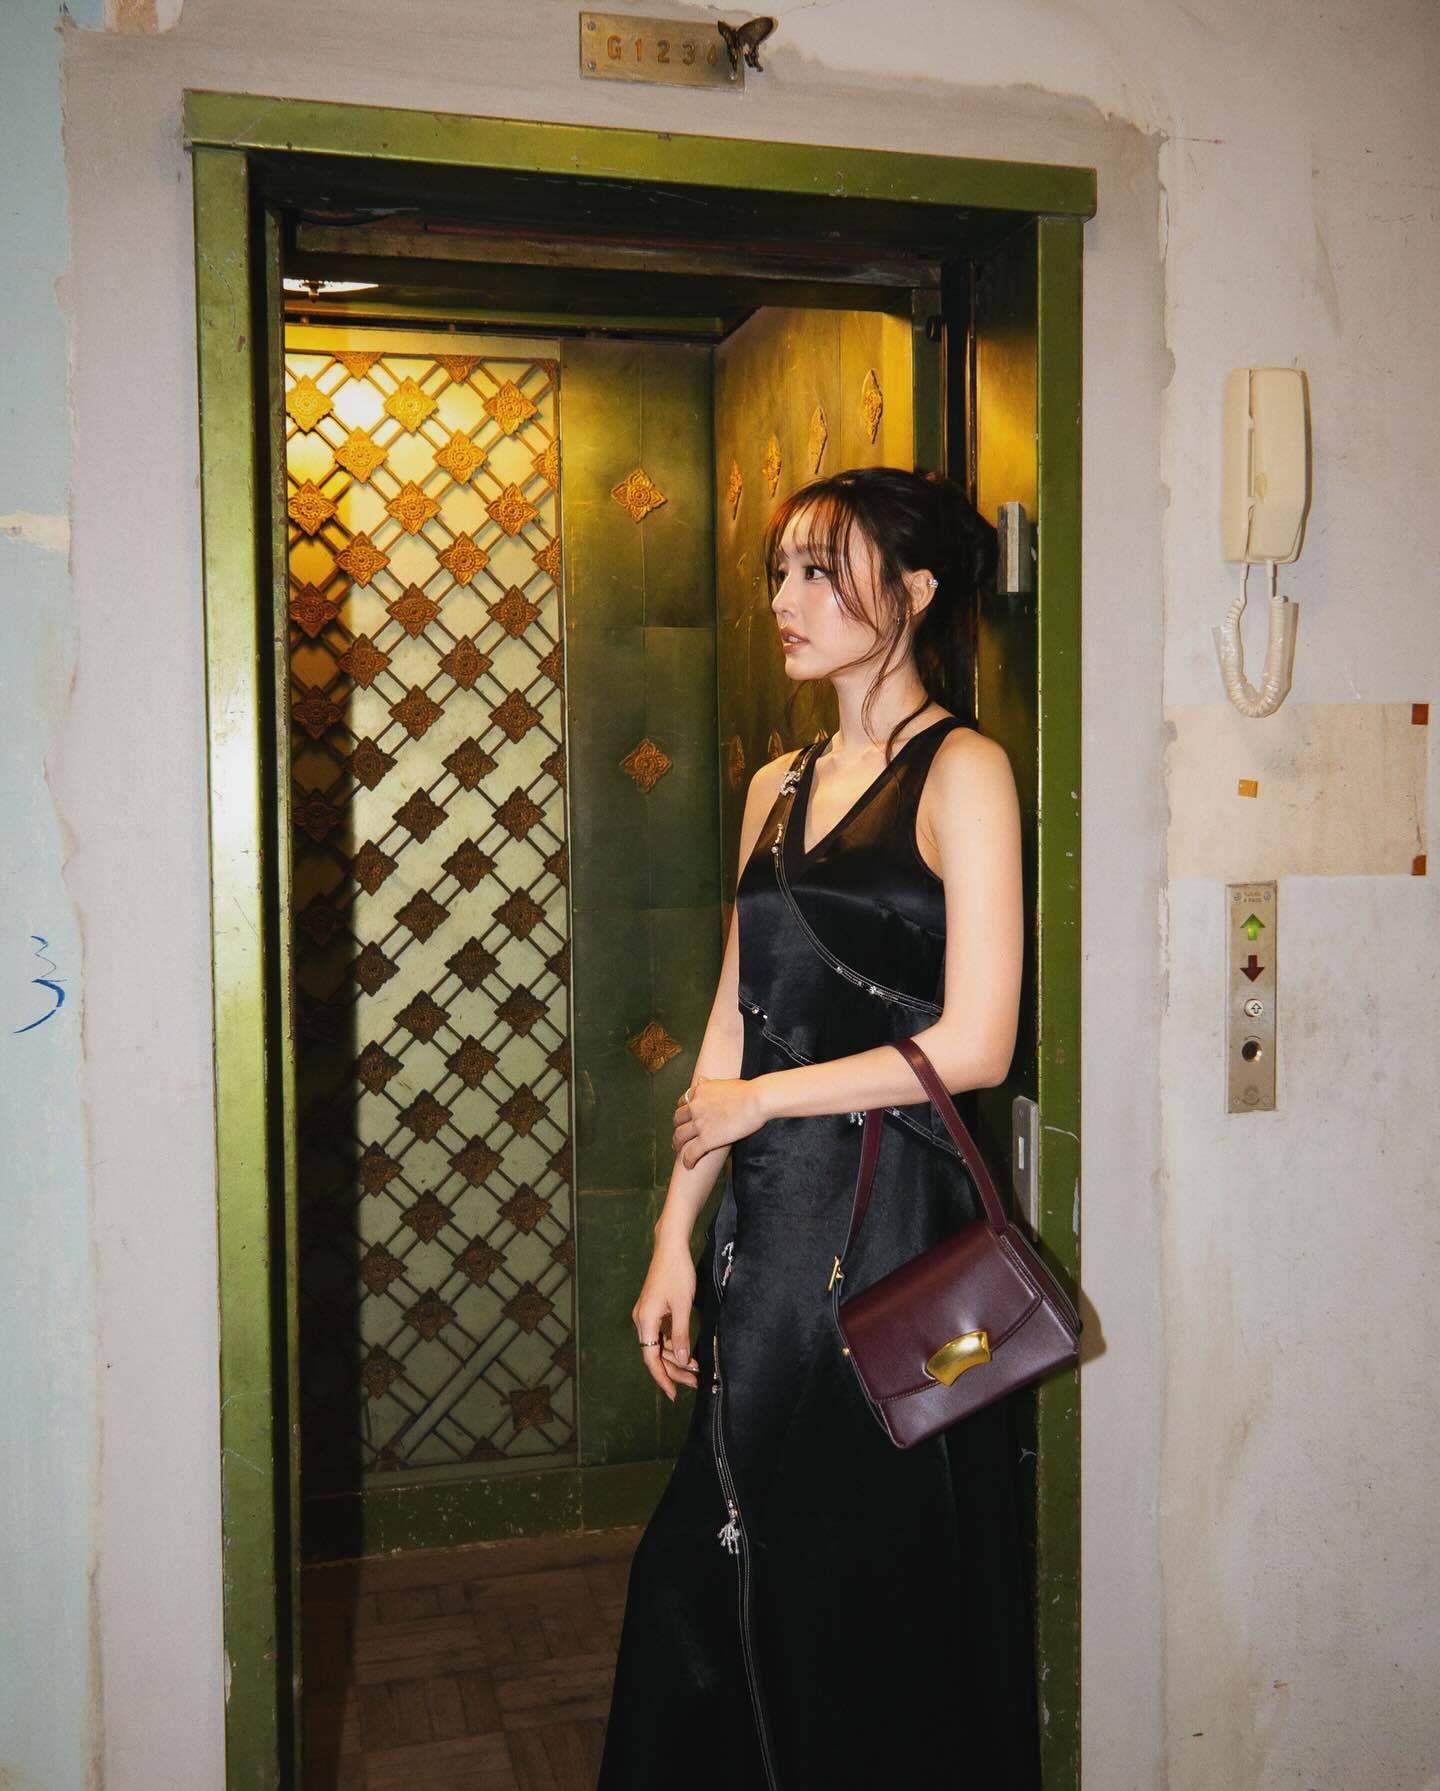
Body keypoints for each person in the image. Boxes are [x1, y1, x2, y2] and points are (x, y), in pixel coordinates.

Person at [595, 466, 1038, 1789]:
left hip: (899, 1228)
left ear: (915, 590)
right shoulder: (776, 785)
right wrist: (674, 1234)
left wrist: (764, 1103)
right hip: (767, 1231)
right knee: (709, 1567)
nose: (785, 599)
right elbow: (732, 1024)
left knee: (864, 1575)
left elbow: (978, 1045)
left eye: (820, 571)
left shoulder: (965, 771)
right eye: (780, 572)